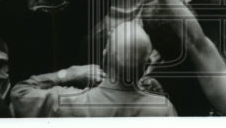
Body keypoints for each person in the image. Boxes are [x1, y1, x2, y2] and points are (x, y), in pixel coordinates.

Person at [10, 22, 176, 117]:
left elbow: (20, 93)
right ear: (146, 66)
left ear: (104, 56)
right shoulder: (163, 109)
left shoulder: (67, 102)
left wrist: (69, 73)